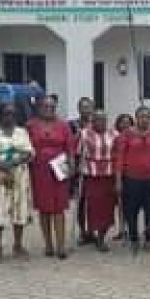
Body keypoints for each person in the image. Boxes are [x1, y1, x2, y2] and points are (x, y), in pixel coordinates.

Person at [0, 103, 34, 262]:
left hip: (19, 175)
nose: (9, 117)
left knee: (19, 209)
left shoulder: (22, 132)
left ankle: (18, 244)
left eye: (12, 114)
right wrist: (5, 167)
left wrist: (13, 164)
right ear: (0, 115)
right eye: (6, 114)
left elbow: (29, 152)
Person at [27, 96, 75, 260]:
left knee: (59, 208)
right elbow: (25, 147)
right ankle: (48, 244)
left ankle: (61, 245)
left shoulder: (64, 125)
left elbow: (70, 147)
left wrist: (71, 166)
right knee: (44, 208)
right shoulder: (31, 125)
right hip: (39, 170)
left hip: (59, 168)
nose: (49, 110)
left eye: (52, 107)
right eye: (45, 107)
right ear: (39, 108)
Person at [116, 106, 150, 252]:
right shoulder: (126, 134)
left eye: (147, 116)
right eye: (141, 116)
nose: (144, 119)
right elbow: (119, 158)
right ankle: (133, 237)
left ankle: (148, 238)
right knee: (131, 210)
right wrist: (118, 180)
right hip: (132, 179)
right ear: (136, 117)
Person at [78, 111, 119, 252]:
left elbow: (119, 154)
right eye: (97, 119)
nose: (100, 122)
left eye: (103, 119)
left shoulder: (114, 134)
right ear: (92, 120)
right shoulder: (84, 134)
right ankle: (90, 233)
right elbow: (77, 152)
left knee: (107, 208)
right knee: (93, 207)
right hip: (91, 175)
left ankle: (102, 236)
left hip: (109, 175)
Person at [69, 97, 95, 245]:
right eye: (83, 107)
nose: (86, 110)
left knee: (93, 201)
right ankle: (82, 231)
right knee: (81, 201)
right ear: (79, 109)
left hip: (94, 168)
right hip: (79, 166)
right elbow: (69, 143)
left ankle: (92, 230)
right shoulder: (72, 125)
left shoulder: (97, 123)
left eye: (88, 107)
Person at [112, 113, 134, 241]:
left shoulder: (134, 136)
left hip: (131, 174)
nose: (125, 125)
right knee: (120, 204)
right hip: (117, 173)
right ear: (118, 124)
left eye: (128, 122)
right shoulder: (115, 137)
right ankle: (122, 229)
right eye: (123, 122)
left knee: (131, 204)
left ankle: (131, 228)